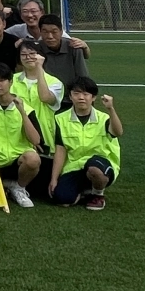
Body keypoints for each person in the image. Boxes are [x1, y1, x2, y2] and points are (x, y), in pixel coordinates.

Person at [50, 77, 123, 211]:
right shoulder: (60, 119)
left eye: (85, 94)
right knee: (62, 200)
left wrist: (111, 109)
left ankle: (98, 194)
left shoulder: (104, 118)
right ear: (70, 96)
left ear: (93, 97)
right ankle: (85, 191)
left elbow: (118, 132)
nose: (81, 98)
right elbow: (60, 150)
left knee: (95, 170)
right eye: (76, 93)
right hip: (74, 166)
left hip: (100, 163)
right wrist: (54, 179)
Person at [0, 63, 41, 209]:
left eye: (2, 80)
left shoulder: (26, 108)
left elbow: (36, 140)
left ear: (10, 82)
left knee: (33, 159)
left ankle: (19, 188)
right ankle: (5, 185)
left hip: (18, 160)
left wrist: (22, 113)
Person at [12, 39, 63, 152]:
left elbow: (45, 97)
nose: (28, 57)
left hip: (44, 135)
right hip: (17, 137)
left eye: (32, 53)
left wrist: (39, 67)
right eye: (23, 55)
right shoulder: (11, 80)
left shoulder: (55, 83)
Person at [36, 15, 90, 89]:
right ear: (40, 32)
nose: (50, 36)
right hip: (45, 93)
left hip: (71, 94)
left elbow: (83, 76)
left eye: (54, 32)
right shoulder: (36, 49)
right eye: (45, 32)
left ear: (61, 32)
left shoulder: (74, 47)